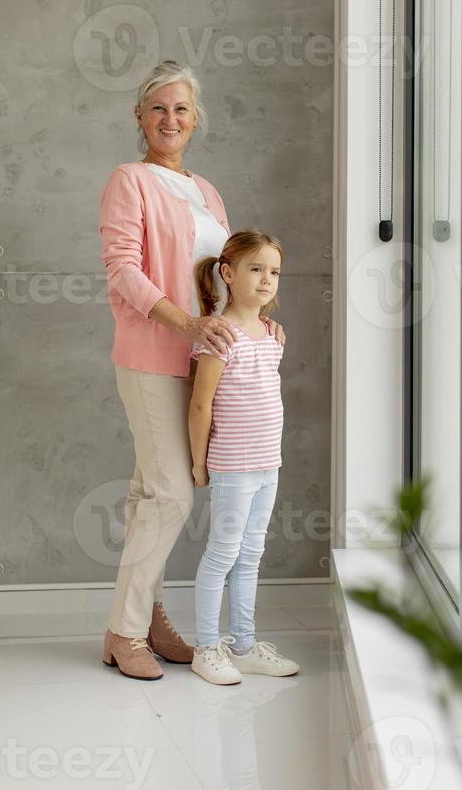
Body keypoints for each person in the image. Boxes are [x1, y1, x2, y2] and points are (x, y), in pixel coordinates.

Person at [98, 60, 286, 681]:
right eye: (158, 108)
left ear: (195, 118)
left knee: (146, 495)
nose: (170, 119)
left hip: (209, 365)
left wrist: (254, 324)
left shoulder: (207, 192)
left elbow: (227, 277)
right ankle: (124, 632)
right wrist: (185, 325)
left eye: (181, 109)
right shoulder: (130, 180)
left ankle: (146, 618)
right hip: (155, 357)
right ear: (140, 118)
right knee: (173, 494)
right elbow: (124, 268)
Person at [188, 229, 300, 684]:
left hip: (267, 464)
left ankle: (246, 645)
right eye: (256, 269)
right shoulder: (219, 335)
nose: (266, 279)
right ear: (228, 274)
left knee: (252, 553)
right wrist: (200, 462)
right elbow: (200, 404)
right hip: (232, 465)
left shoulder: (272, 335)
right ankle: (207, 648)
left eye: (274, 271)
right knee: (223, 553)